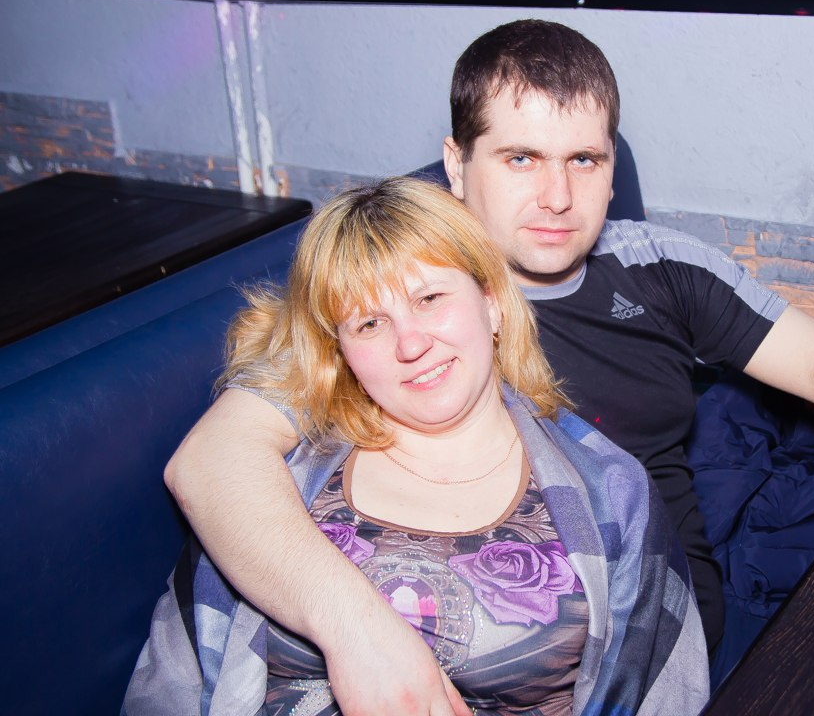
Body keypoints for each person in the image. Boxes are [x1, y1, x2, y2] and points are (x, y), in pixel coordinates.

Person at [165, 20, 814, 712]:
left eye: (584, 159)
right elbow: (211, 460)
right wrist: (355, 629)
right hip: (459, 647)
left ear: (613, 166)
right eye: (520, 159)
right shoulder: (399, 294)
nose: (557, 197)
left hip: (657, 645)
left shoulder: (661, 268)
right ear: (456, 164)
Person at [124, 178, 710, 715]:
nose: (410, 344)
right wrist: (355, 634)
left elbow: (661, 694)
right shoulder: (274, 478)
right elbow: (175, 683)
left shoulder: (609, 494)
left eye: (429, 299)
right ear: (342, 352)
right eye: (369, 324)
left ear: (492, 302)